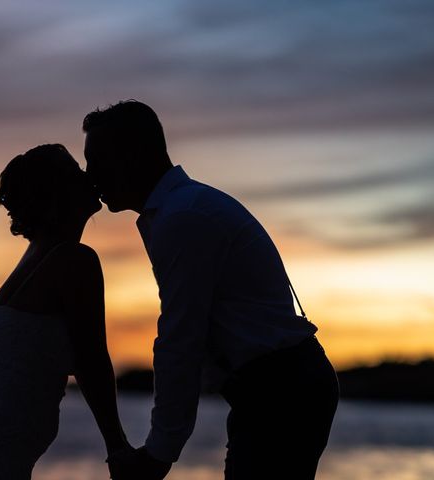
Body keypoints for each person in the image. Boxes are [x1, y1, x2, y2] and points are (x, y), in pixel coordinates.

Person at [83, 100, 340, 480]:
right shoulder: (182, 210)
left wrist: (158, 455)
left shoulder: (182, 218)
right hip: (278, 388)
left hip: (282, 392)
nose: (91, 176)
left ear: (131, 156)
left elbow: (180, 340)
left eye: (98, 161)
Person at [0, 144, 130, 479]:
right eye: (76, 172)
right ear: (58, 192)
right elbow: (91, 360)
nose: (87, 177)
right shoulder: (73, 260)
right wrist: (117, 447)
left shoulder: (39, 254)